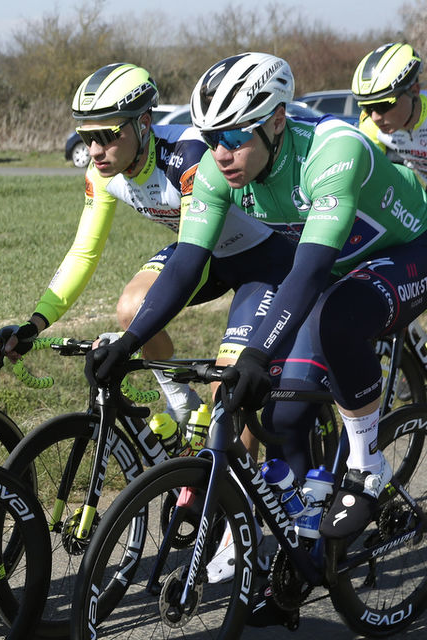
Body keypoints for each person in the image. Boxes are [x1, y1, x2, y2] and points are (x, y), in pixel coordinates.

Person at [86, 51, 427, 618]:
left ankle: (370, 463)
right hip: (342, 265)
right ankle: (308, 560)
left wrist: (257, 351)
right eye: (212, 137)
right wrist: (130, 340)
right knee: (281, 417)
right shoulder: (219, 170)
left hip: (405, 251)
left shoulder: (332, 148)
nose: (221, 154)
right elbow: (188, 261)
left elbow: (311, 271)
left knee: (336, 319)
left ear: (274, 121)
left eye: (234, 137)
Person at [0, 62, 284, 425]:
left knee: (231, 390)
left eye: (107, 135)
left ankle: (246, 477)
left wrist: (131, 340)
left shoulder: (188, 155)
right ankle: (183, 404)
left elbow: (195, 260)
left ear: (143, 123)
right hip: (202, 253)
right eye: (86, 138)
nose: (95, 150)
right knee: (133, 306)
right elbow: (84, 251)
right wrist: (34, 325)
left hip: (259, 261)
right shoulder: (103, 175)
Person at [352, 43, 427, 183]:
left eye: (384, 105)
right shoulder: (371, 127)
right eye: (367, 108)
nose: (375, 117)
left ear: (414, 90)